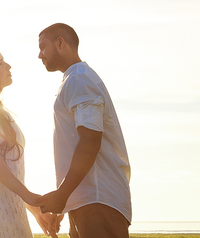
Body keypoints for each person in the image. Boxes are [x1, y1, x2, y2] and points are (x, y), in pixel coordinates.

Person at [36, 24, 132, 238]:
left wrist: (63, 195)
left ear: (60, 43)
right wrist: (66, 201)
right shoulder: (74, 79)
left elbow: (90, 141)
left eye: (43, 47)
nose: (39, 55)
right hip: (88, 202)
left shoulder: (79, 79)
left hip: (98, 203)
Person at [0, 45, 61, 238]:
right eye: (0, 63)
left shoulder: (0, 110)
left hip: (11, 206)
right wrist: (28, 195)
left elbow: (10, 171)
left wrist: (36, 211)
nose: (8, 66)